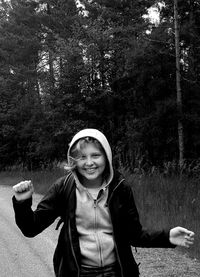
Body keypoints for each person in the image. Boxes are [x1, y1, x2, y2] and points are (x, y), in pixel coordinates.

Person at [12, 128, 195, 277]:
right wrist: (22, 202)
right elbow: (31, 228)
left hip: (117, 272)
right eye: (82, 157)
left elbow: (135, 235)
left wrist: (167, 236)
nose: (89, 162)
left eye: (95, 155)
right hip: (77, 272)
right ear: (73, 160)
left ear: (106, 157)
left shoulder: (120, 189)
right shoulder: (63, 188)